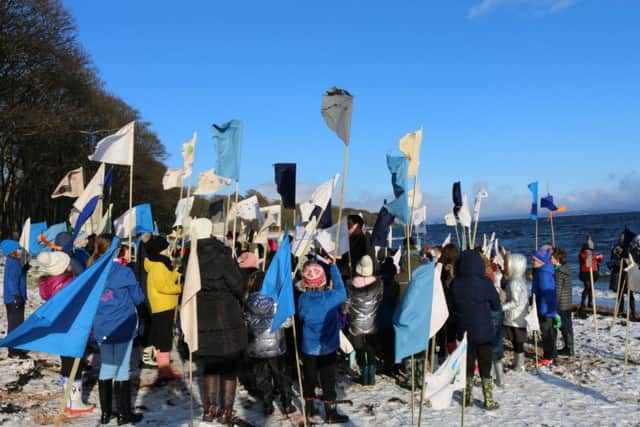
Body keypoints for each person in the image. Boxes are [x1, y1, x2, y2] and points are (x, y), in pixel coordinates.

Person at [31, 251, 95, 414]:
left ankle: (69, 398)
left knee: (66, 362)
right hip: (72, 328)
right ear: (63, 267)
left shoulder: (48, 282)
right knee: (75, 364)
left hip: (58, 329)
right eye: (68, 263)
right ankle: (75, 402)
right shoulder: (68, 283)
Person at [90, 234, 145, 425]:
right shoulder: (124, 272)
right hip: (122, 325)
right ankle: (124, 414)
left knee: (106, 366)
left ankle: (106, 414)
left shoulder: (93, 271)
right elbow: (138, 298)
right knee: (122, 369)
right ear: (117, 250)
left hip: (102, 325)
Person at [195, 228, 247, 424]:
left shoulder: (191, 257)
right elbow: (239, 286)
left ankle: (209, 409)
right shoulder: (223, 257)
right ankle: (225, 411)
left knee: (211, 364)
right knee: (228, 366)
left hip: (203, 316)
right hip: (226, 316)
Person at [298, 261, 349, 424]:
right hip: (328, 346)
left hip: (309, 346)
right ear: (324, 280)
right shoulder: (331, 297)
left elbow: (301, 317)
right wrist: (333, 268)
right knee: (328, 379)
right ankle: (330, 412)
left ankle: (309, 407)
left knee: (309, 378)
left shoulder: (303, 300)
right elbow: (342, 291)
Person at [449, 250, 500, 410]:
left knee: (468, 365)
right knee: (485, 365)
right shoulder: (485, 282)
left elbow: (451, 307)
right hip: (484, 331)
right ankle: (489, 400)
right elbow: (496, 304)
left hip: (465, 332)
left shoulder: (455, 284)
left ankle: (468, 397)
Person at [244, 270, 296, 416]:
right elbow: (286, 323)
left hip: (256, 345)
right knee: (280, 374)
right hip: (276, 345)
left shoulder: (247, 301)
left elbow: (246, 322)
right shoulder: (276, 301)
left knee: (261, 376)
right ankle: (287, 403)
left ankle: (267, 404)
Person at [144, 236, 183, 381]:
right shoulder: (158, 265)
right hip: (162, 306)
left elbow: (166, 280)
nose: (168, 250)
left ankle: (165, 368)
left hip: (164, 305)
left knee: (165, 337)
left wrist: (177, 271)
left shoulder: (160, 263)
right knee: (164, 338)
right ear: (159, 251)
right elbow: (163, 286)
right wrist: (180, 288)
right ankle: (164, 370)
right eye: (166, 248)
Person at [346, 255, 382, 385]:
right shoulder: (378, 284)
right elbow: (380, 300)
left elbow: (346, 306)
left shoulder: (350, 285)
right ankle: (370, 376)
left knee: (360, 349)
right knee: (370, 349)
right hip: (372, 322)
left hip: (356, 323)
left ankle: (364, 375)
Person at [501, 253, 528, 371]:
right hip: (520, 316)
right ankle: (518, 363)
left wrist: (500, 307)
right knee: (517, 342)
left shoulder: (514, 282)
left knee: (517, 342)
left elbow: (515, 302)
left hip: (514, 317)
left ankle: (519, 365)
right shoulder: (520, 279)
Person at [2, 240, 28, 359]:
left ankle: (16, 347)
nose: (20, 250)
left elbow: (19, 276)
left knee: (18, 324)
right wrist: (16, 295)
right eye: (18, 248)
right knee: (15, 325)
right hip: (14, 299)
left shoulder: (16, 261)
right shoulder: (13, 263)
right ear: (12, 252)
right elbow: (12, 281)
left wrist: (25, 268)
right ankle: (13, 350)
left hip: (17, 297)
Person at [532, 248, 558, 365]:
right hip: (546, 307)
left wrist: (542, 309)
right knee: (549, 330)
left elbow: (546, 293)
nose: (533, 262)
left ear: (541, 261)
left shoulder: (543, 273)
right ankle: (552, 353)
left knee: (546, 331)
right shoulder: (542, 270)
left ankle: (549, 356)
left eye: (535, 260)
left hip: (545, 307)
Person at [376, 257, 400, 376]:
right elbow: (396, 300)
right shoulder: (394, 285)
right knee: (392, 344)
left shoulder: (378, 284)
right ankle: (393, 366)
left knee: (385, 344)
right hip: (392, 318)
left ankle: (386, 365)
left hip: (381, 317)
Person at [552, 248, 574, 356]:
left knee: (564, 326)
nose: (550, 259)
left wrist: (554, 305)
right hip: (568, 302)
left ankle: (569, 349)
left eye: (551, 257)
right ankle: (570, 347)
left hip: (561, 304)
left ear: (557, 259)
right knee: (568, 325)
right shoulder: (566, 269)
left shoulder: (559, 273)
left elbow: (557, 291)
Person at [578, 236, 604, 317]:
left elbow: (597, 260)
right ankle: (583, 302)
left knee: (591, 287)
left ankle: (590, 302)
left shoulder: (591, 254)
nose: (588, 250)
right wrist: (596, 257)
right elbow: (586, 259)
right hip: (585, 272)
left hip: (593, 272)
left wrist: (600, 257)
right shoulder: (582, 254)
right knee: (587, 286)